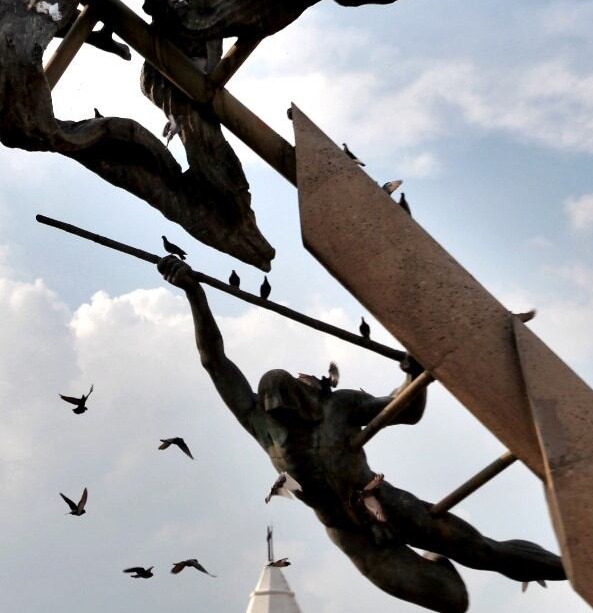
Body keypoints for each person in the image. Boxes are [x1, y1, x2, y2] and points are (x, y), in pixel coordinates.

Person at [157, 255, 565, 613]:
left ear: (308, 397)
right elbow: (214, 360)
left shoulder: (340, 405)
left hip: (389, 503)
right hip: (354, 536)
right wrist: (194, 293)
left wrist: (410, 374)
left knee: (484, 552)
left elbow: (406, 411)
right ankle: (438, 563)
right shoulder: (260, 423)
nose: (284, 412)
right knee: (452, 601)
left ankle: (572, 566)